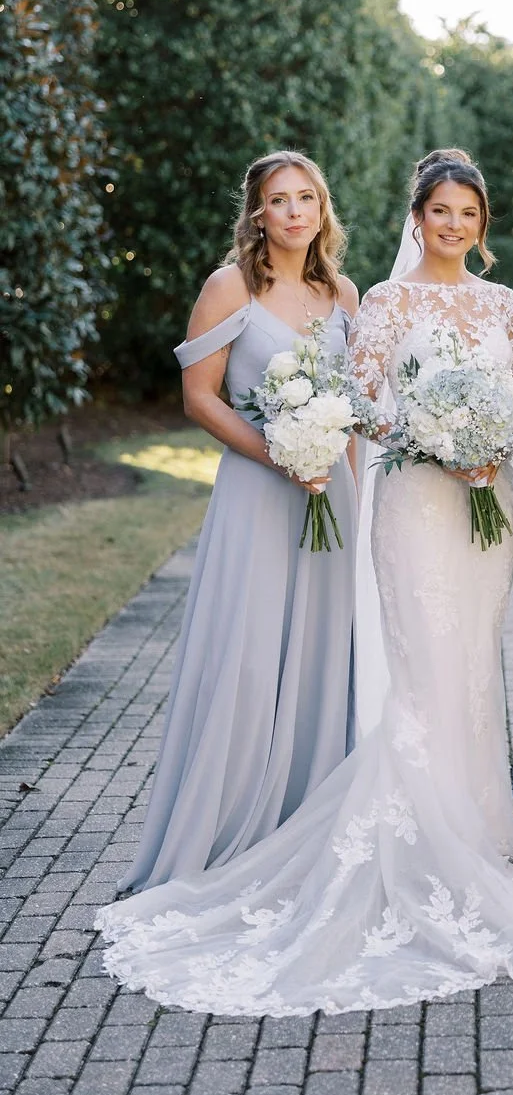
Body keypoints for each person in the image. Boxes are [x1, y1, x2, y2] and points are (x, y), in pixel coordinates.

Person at [96, 151, 513, 1014]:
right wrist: (432, 439)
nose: (454, 224)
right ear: (417, 216)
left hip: (482, 504)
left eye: (469, 212)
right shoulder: (380, 302)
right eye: (440, 210)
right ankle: (415, 828)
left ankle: (478, 824)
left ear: (483, 221)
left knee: (471, 660)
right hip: (407, 500)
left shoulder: (488, 303)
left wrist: (491, 447)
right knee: (419, 663)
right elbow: (368, 402)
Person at [119, 151, 359, 894]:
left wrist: (341, 476)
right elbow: (201, 396)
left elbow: (353, 402)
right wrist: (278, 453)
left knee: (324, 653)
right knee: (250, 656)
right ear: (256, 212)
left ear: (322, 208)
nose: (294, 212)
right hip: (260, 493)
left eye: (306, 199)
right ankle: (224, 830)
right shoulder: (231, 287)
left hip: (332, 496)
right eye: (278, 201)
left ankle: (306, 817)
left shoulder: (342, 291)